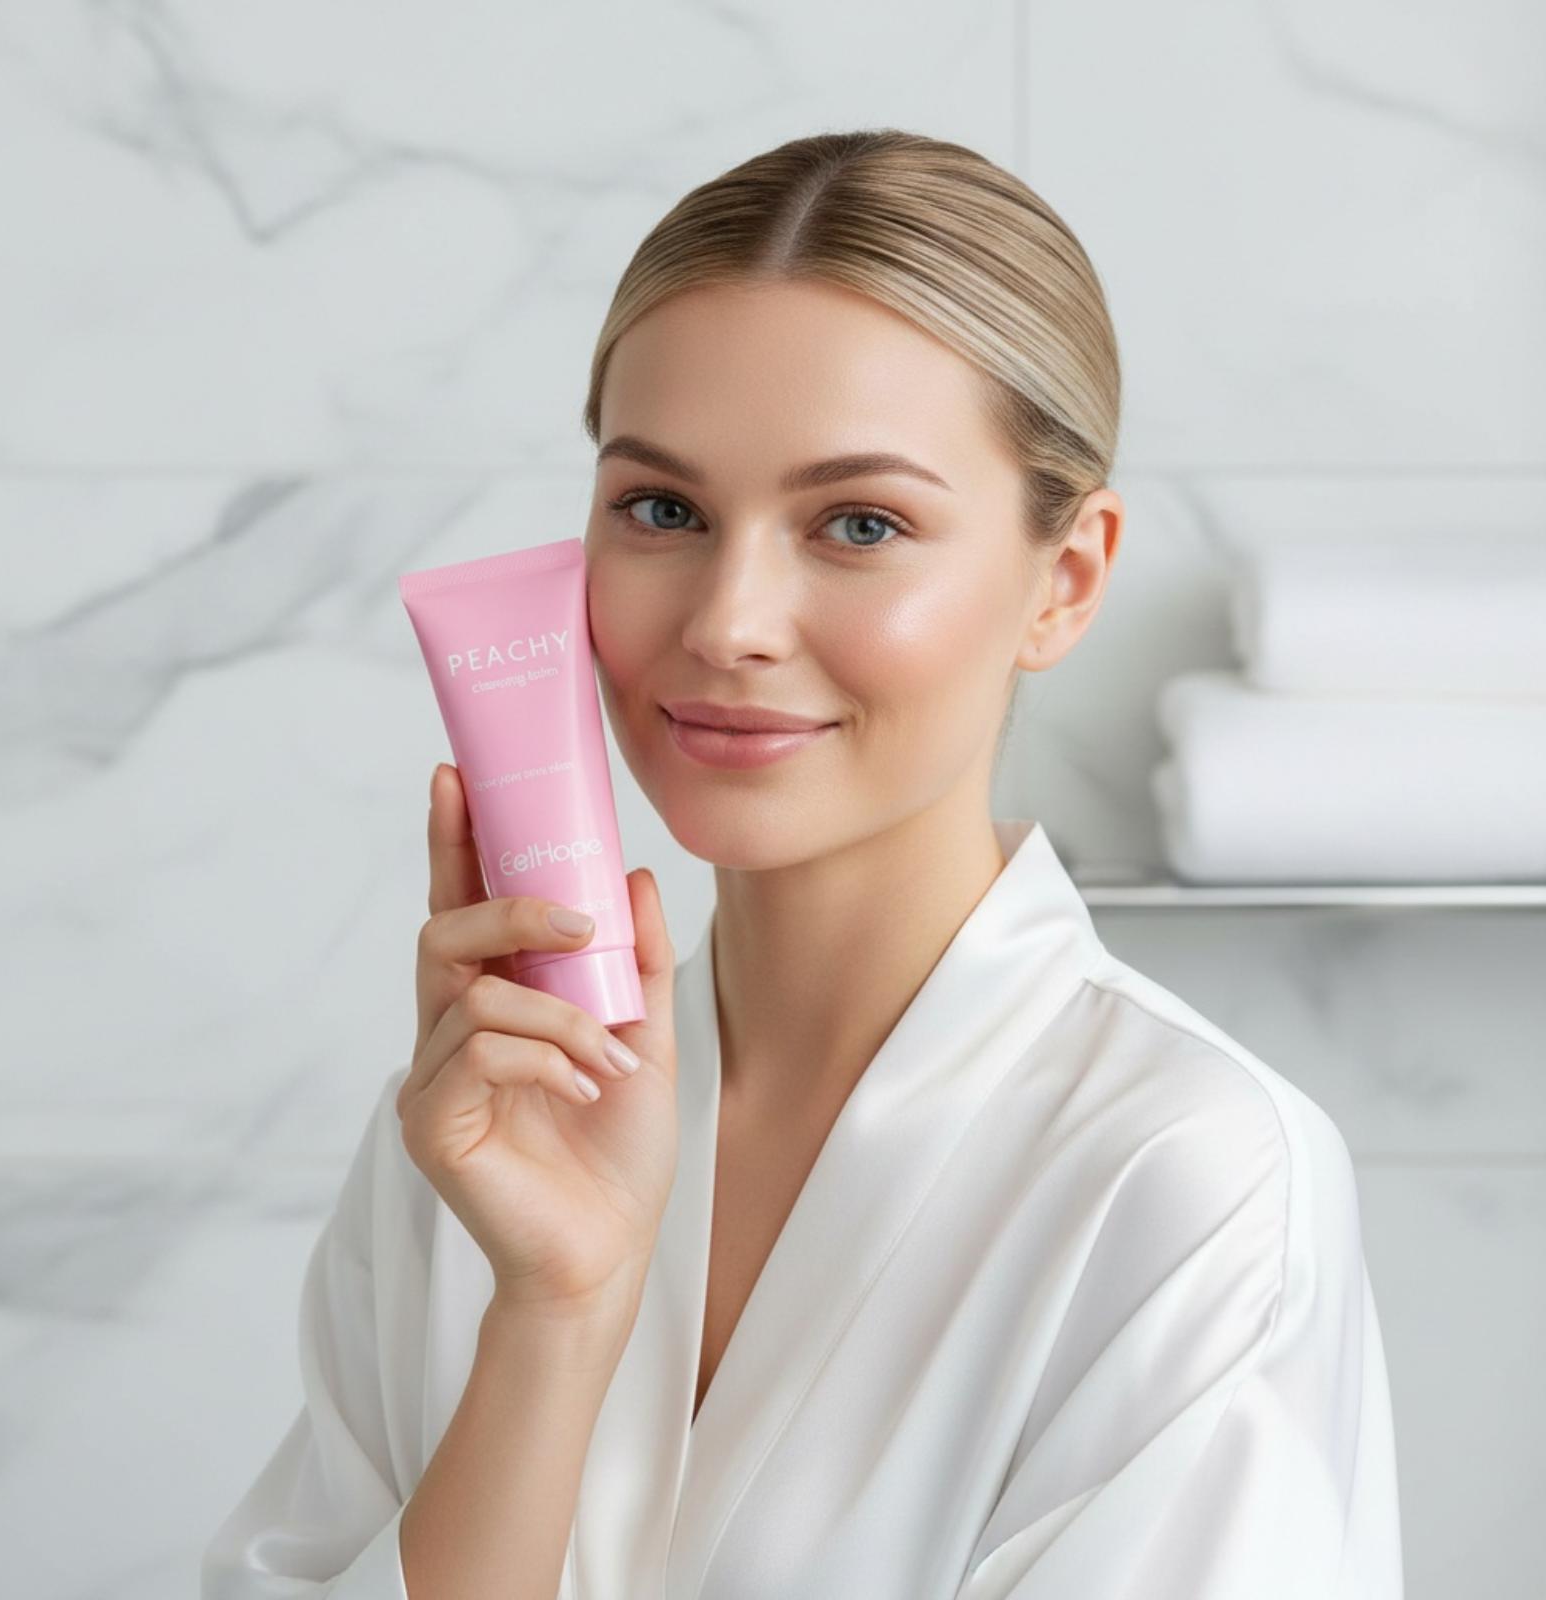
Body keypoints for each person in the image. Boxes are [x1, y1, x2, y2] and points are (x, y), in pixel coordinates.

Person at [203, 128, 1403, 1599]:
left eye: (859, 524)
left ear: (1065, 579)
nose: (729, 622)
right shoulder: (481, 1136)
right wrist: (556, 1316)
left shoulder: (1185, 1180)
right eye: (663, 510)